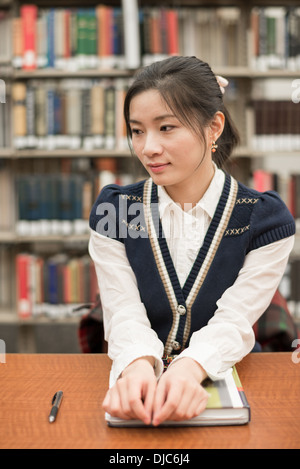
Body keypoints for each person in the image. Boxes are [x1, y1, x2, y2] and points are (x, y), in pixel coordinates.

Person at [89, 56, 295, 426]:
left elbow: (235, 320)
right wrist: (136, 366)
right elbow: (122, 311)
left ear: (213, 127)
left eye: (166, 128)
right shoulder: (118, 209)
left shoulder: (264, 219)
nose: (148, 147)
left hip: (232, 379)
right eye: (137, 131)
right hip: (138, 380)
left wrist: (188, 368)